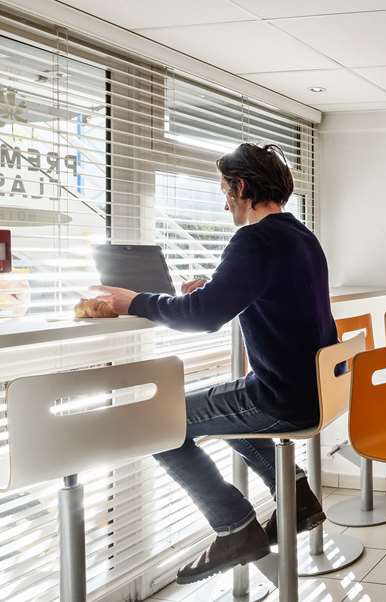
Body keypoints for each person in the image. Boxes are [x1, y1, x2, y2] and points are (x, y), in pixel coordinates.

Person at [92, 143, 337, 584]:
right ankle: (296, 497)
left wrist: (134, 302)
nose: (224, 203)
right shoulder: (300, 236)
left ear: (240, 187)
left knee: (156, 422)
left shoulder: (254, 240)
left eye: (224, 191)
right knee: (223, 408)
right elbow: (271, 293)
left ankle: (235, 527)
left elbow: (203, 318)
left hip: (283, 398)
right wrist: (214, 287)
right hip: (315, 390)